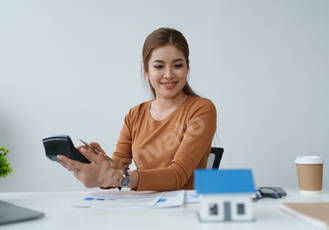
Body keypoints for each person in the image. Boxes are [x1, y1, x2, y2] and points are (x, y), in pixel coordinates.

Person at [58, 27, 217, 191]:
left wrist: (117, 177)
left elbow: (177, 176)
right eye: (159, 66)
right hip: (142, 208)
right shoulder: (134, 115)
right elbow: (118, 171)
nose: (169, 74)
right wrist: (102, 167)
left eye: (177, 65)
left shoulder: (202, 109)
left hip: (182, 209)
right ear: (147, 70)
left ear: (187, 68)